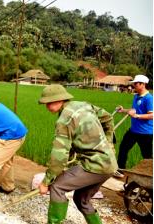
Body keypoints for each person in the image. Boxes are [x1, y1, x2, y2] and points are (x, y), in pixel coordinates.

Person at [38, 84, 118, 224]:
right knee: (82, 199)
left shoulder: (64, 120)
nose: (47, 107)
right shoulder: (83, 105)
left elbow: (59, 156)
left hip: (95, 165)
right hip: (110, 164)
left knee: (57, 187)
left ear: (59, 100)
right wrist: (109, 143)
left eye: (48, 103)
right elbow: (108, 118)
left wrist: (46, 181)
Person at [115, 75, 153, 176]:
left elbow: (151, 115)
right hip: (133, 131)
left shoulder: (149, 99)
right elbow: (133, 111)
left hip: (145, 133)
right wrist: (123, 110)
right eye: (134, 83)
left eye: (136, 83)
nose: (133, 85)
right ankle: (120, 170)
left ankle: (149, 176)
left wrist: (136, 116)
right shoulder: (136, 96)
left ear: (143, 84)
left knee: (147, 157)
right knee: (123, 148)